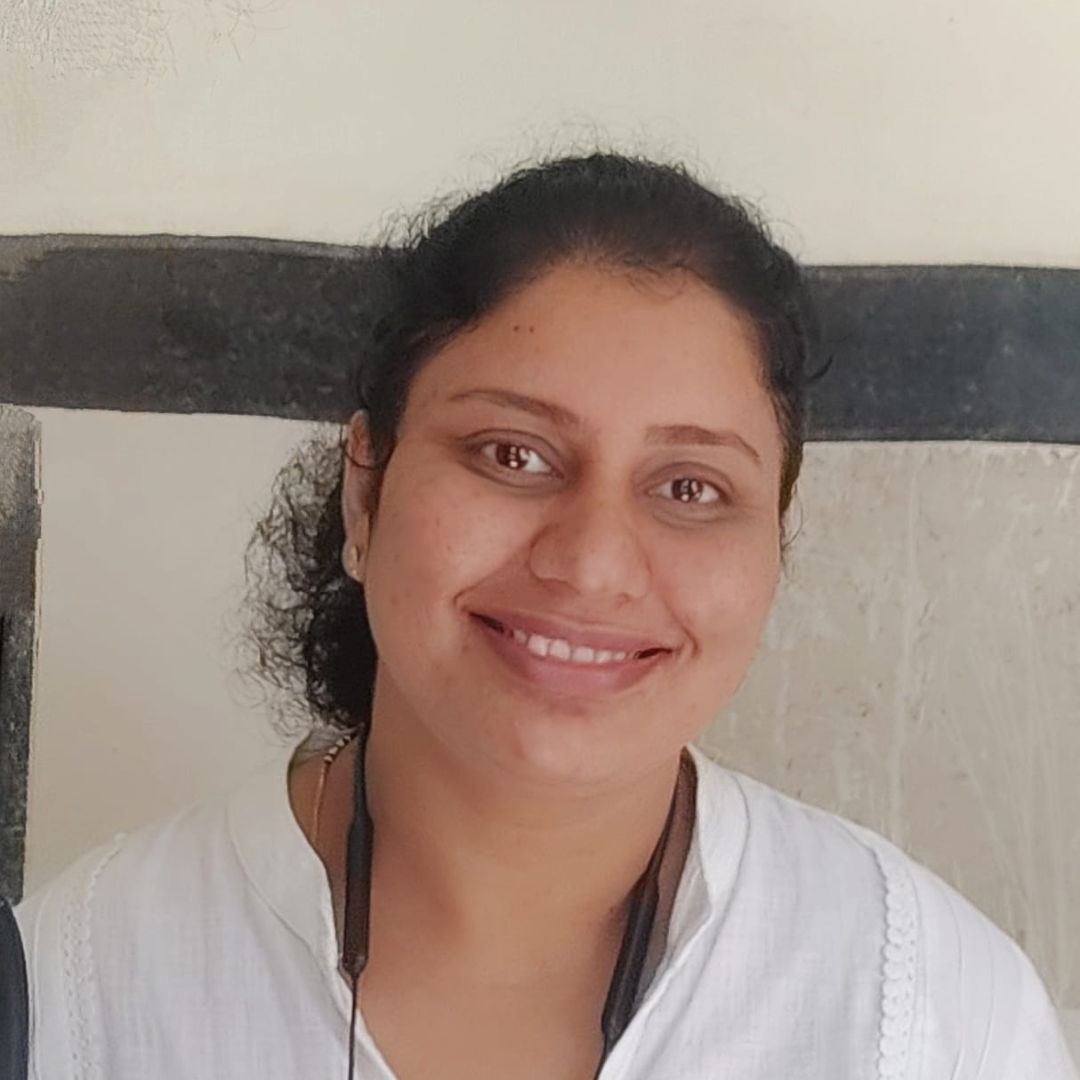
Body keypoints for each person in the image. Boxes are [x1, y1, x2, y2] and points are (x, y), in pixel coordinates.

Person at [15, 153, 1077, 1080]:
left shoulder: (931, 1010)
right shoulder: (76, 987)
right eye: (512, 455)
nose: (592, 565)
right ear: (366, 492)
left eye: (690, 487)